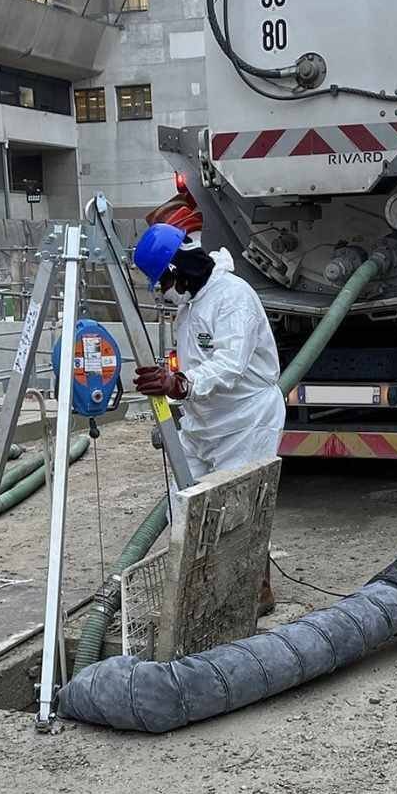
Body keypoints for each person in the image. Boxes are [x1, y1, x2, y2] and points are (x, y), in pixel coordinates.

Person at [131, 222, 286, 608]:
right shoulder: (193, 303)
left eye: (163, 285)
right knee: (182, 502)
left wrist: (180, 384)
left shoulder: (233, 297)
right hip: (205, 421)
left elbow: (230, 364)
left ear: (174, 272)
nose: (165, 295)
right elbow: (198, 361)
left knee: (239, 509)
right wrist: (176, 384)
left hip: (245, 419)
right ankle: (204, 585)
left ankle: (254, 591)